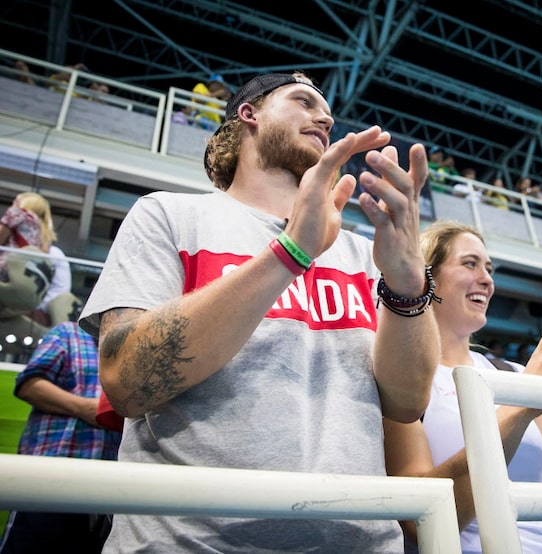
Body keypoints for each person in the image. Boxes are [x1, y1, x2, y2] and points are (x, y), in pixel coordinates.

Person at [78, 71, 440, 552]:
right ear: (249, 113)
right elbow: (129, 381)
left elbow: (407, 403)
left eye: (326, 111)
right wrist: (290, 252)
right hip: (190, 543)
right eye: (303, 100)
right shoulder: (169, 215)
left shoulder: (363, 254)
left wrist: (408, 285)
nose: (325, 116)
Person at [383, 220, 542, 553]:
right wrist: (523, 405)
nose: (487, 279)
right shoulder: (401, 377)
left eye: (489, 268)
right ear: (428, 276)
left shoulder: (514, 372)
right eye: (470, 263)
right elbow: (419, 523)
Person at [0, 321, 121, 553]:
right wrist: (85, 408)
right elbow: (29, 385)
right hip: (49, 476)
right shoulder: (68, 334)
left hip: (102, 488)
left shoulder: (127, 350)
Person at [0, 192, 56, 282]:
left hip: (4, 272)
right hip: (26, 281)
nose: (13, 205)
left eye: (16, 201)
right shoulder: (45, 234)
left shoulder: (18, 214)